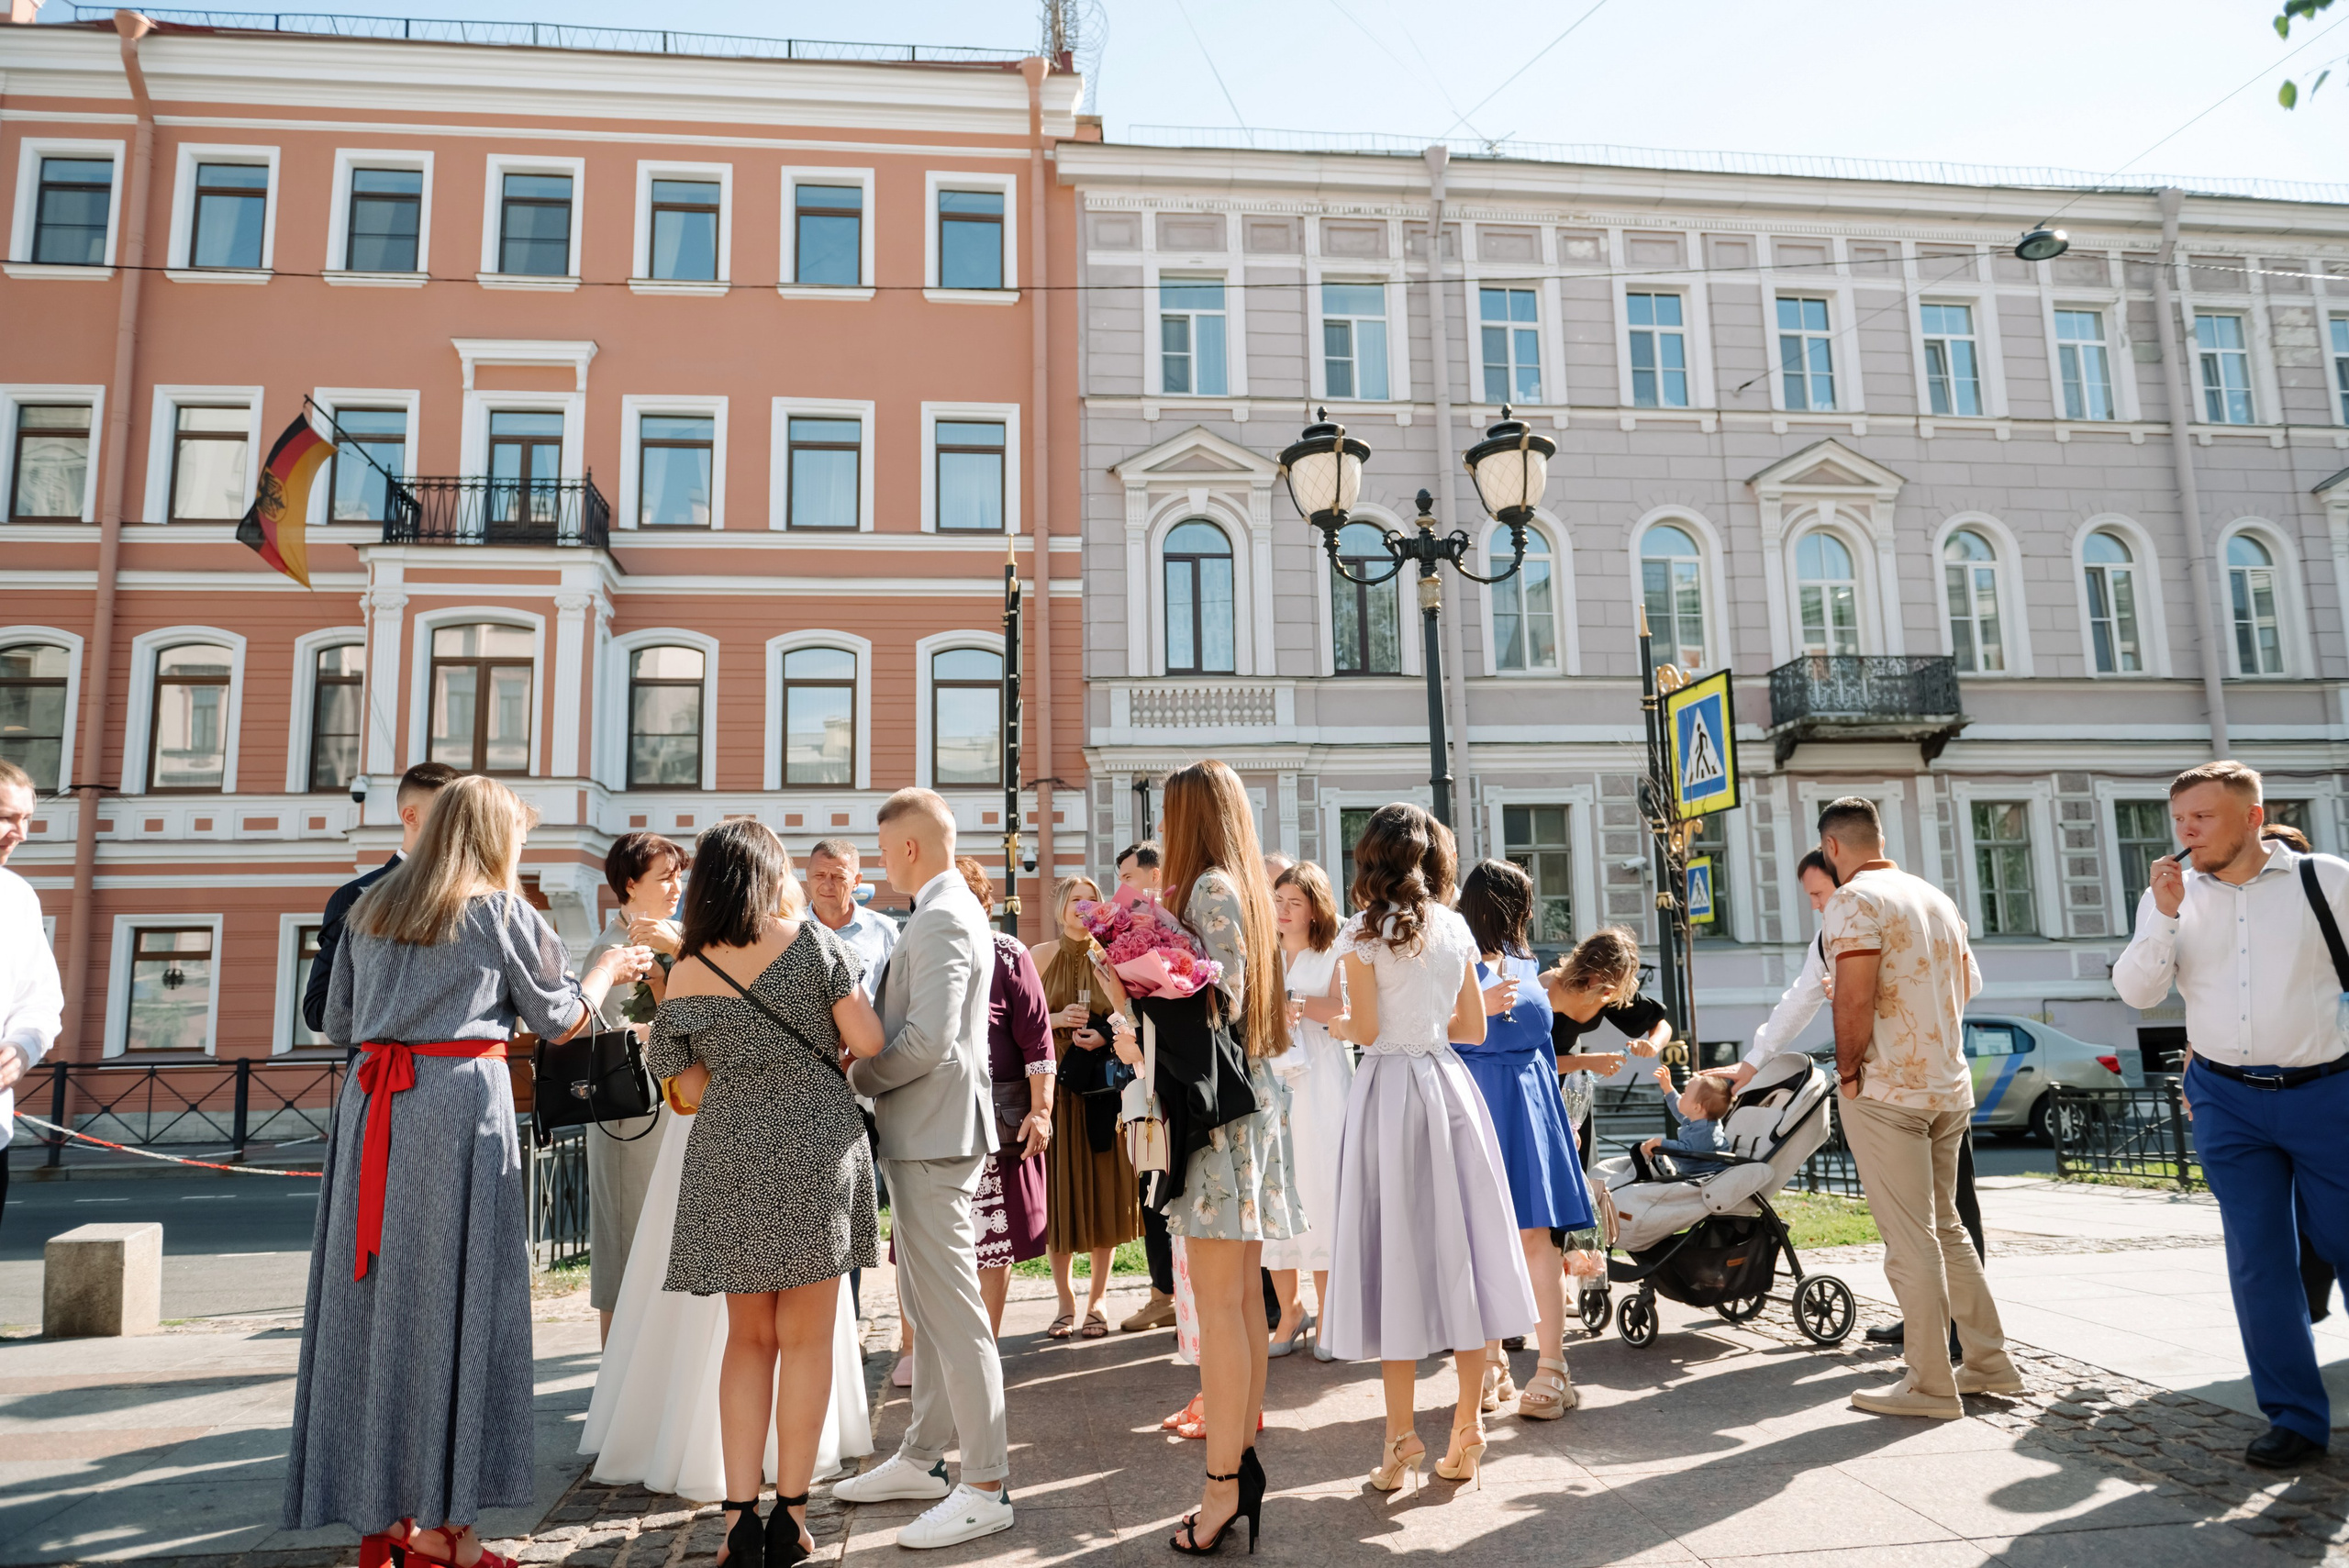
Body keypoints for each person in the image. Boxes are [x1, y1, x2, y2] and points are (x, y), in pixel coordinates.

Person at [284, 775, 653, 1568]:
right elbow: (559, 1017)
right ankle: (448, 1529)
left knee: (376, 1302)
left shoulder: (369, 908)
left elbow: (338, 1020)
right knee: (458, 1302)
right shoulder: (499, 911)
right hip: (455, 1108)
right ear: (492, 836)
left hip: (373, 1107)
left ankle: (386, 1513)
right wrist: (604, 971)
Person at [645, 819, 883, 1568]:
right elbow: (869, 1041)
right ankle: (793, 1518)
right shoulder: (813, 943)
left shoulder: (687, 967)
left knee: (746, 1339)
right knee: (806, 1340)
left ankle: (738, 1522)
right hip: (815, 1142)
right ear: (769, 873)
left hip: (728, 1150)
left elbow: (685, 1084)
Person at [2113, 762, 2349, 1470]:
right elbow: (2137, 991)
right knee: (2258, 1260)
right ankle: (2295, 1417)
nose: (2186, 831)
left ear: (2251, 817)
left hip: (2327, 1092)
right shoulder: (2171, 897)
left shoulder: (2326, 880)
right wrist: (2162, 914)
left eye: (2202, 817)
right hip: (2225, 1098)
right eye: (2179, 819)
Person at [1104, 761, 1300, 1554]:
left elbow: (1207, 1009)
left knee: (1222, 1309)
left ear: (1191, 817)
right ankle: (1239, 1464)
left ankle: (1223, 1485)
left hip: (1218, 1119)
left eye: (1169, 813)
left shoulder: (1211, 889)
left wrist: (1129, 993)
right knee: (1243, 1301)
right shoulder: (1244, 887)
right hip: (1246, 1104)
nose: (1163, 830)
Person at [1324, 805, 1537, 1496]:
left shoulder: (1362, 932)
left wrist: (1334, 1024)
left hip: (1389, 1091)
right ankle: (1467, 1426)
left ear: (1372, 858)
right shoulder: (1455, 927)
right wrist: (1425, 1019)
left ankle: (1400, 1439)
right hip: (1449, 1089)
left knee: (1397, 1256)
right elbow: (1473, 1028)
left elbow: (1366, 1029)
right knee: (1461, 1250)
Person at [833, 789, 1015, 1550]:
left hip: (936, 1133)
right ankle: (922, 1457)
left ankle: (987, 1483)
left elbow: (930, 1039)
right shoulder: (945, 909)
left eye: (882, 851)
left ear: (909, 847)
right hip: (930, 1131)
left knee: (955, 1313)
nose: (881, 865)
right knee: (929, 1304)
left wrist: (857, 1075)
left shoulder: (941, 914)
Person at [1817, 795, 2019, 1420]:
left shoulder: (1852, 899)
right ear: (1880, 838)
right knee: (1947, 1226)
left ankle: (1930, 1383)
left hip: (1887, 1090)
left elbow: (1853, 998)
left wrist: (1847, 1071)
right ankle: (1988, 1360)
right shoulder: (1935, 897)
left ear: (1832, 847)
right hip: (1947, 1085)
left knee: (1910, 1240)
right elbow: (1969, 984)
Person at [1746, 851, 1983, 1354]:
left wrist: (1851, 1068)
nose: (1817, 905)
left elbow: (1965, 984)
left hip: (1904, 1088)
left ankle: (1947, 1347)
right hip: (1941, 1083)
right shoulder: (1890, 912)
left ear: (1844, 874)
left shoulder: (1866, 906)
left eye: (1819, 893)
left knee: (1940, 1220)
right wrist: (1753, 1063)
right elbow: (1800, 998)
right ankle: (1948, 1335)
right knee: (1930, 1223)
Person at [1453, 857, 1593, 1419]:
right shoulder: (1456, 961)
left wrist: (1559, 1125)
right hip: (1483, 1103)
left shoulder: (1522, 960)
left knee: (1534, 1239)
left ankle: (1551, 1366)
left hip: (1525, 1107)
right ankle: (1495, 1361)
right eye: (1526, 903)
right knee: (1487, 1240)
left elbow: (1540, 1051)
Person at [583, 831, 690, 1342]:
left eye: (679, 876)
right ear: (630, 884)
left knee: (668, 1250)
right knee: (625, 1249)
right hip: (630, 1118)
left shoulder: (680, 937)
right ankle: (615, 1374)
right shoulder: (611, 950)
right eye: (664, 878)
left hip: (677, 1112)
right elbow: (605, 1037)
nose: (677, 887)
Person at [1031, 873, 1141, 1341]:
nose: (1083, 907)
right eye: (1075, 899)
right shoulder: (1038, 956)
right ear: (1060, 905)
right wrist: (1056, 1018)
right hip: (1054, 1094)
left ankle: (1098, 1301)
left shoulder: (1112, 957)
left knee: (1103, 1195)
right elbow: (1019, 1021)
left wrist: (1105, 1033)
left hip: (1103, 1093)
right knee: (1059, 1197)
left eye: (1091, 900)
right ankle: (1064, 1300)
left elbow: (1133, 1017)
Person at [956, 856, 1054, 1335]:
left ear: (985, 905)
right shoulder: (917, 950)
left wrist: (1042, 1110)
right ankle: (928, 1355)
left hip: (995, 1123)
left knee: (991, 1246)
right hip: (935, 1121)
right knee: (936, 1245)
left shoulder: (1009, 953)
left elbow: (1038, 1041)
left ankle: (984, 1351)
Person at [1264, 862, 1353, 1362]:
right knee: (1275, 1189)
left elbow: (1345, 1009)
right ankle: (1289, 1311)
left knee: (1318, 1188)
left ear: (1315, 908)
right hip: (1271, 1077)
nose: (1283, 910)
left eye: (1294, 902)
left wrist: (1296, 1001)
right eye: (1278, 900)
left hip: (1321, 1079)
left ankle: (1330, 1314)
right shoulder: (1265, 951)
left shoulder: (1335, 951)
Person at [301, 762, 457, 1037]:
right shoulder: (356, 897)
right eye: (448, 813)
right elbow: (318, 1010)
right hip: (380, 1063)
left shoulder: (477, 899)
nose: (460, 825)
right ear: (411, 816)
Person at [1113, 840, 1180, 1335]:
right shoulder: (1130, 932)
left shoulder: (1178, 927)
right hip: (1144, 1073)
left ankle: (1182, 1295)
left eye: (1128, 879)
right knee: (1152, 1184)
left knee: (1173, 1186)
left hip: (1175, 1072)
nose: (1122, 890)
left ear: (1155, 877)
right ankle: (1162, 1292)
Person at [0, 761, 62, 1230]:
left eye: (26, 820)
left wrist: (22, 1048)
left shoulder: (17, 898)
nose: (19, 834)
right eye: (6, 817)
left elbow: (40, 999)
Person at [807, 838, 898, 999]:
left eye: (838, 877)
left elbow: (900, 993)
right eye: (819, 875)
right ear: (808, 875)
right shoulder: (789, 928)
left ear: (856, 881)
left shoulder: (883, 930)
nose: (827, 885)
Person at [1637, 1065, 1731, 1176]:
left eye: (1685, 1094)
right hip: (1695, 1175)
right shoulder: (1698, 1121)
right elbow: (1679, 1109)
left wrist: (1660, 1142)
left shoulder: (1706, 1132)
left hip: (1706, 1179)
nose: (1682, 1095)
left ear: (1696, 1107)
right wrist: (1668, 1088)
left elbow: (1685, 1153)